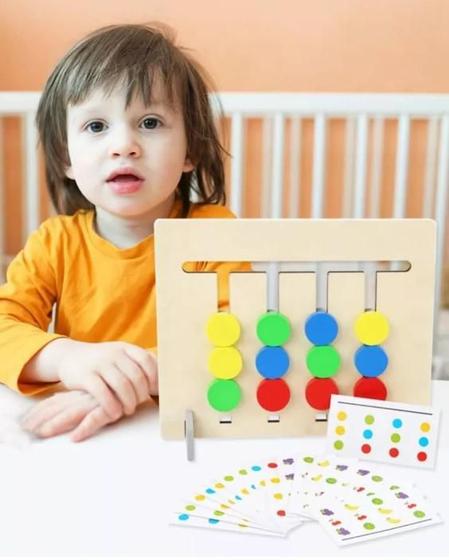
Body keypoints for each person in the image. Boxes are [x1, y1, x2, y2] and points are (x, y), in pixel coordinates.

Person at [0, 23, 244, 442]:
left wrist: (128, 380)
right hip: (81, 435)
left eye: (149, 122)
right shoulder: (54, 244)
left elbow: (236, 341)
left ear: (191, 150)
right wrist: (68, 359)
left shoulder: (214, 235)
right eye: (96, 127)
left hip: (185, 430)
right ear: (66, 159)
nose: (123, 145)